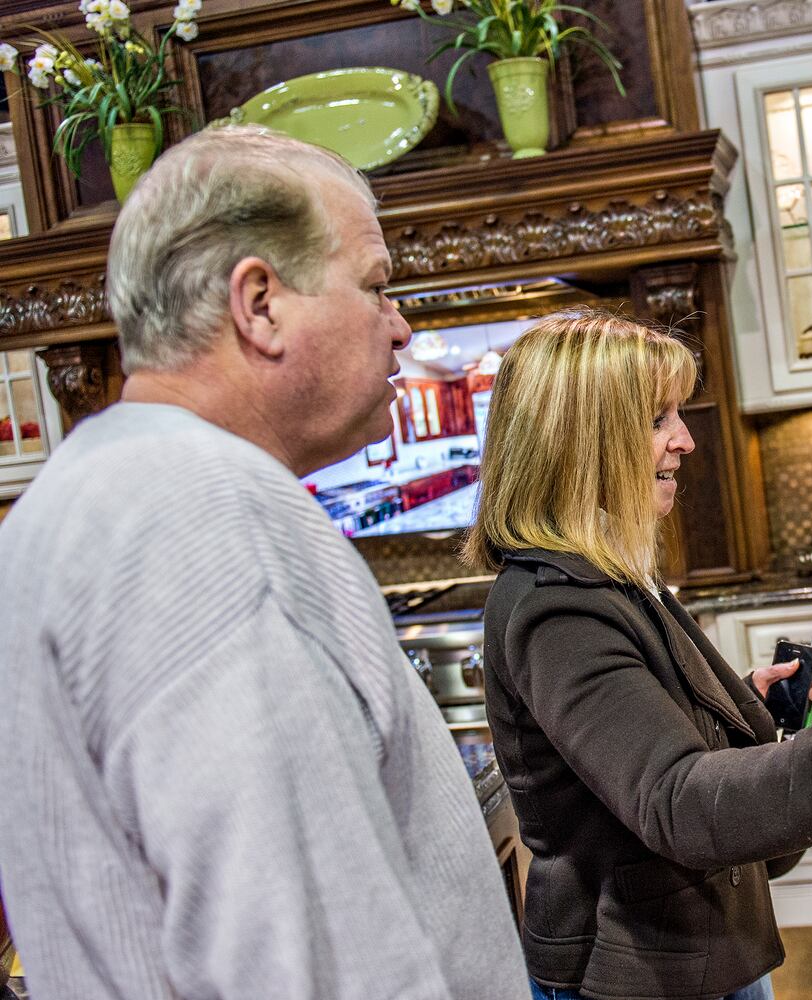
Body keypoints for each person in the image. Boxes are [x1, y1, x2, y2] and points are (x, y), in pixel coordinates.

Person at [0, 127, 529, 1000]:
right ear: (260, 304)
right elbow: (309, 963)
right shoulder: (210, 516)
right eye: (375, 287)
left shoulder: (65, 506)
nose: (401, 326)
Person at [464, 309, 812, 1000]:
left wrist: (741, 707)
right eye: (657, 419)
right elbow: (680, 803)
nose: (685, 439)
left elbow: (631, 750)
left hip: (691, 953)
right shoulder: (559, 609)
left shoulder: (605, 574)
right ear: (582, 441)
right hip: (635, 978)